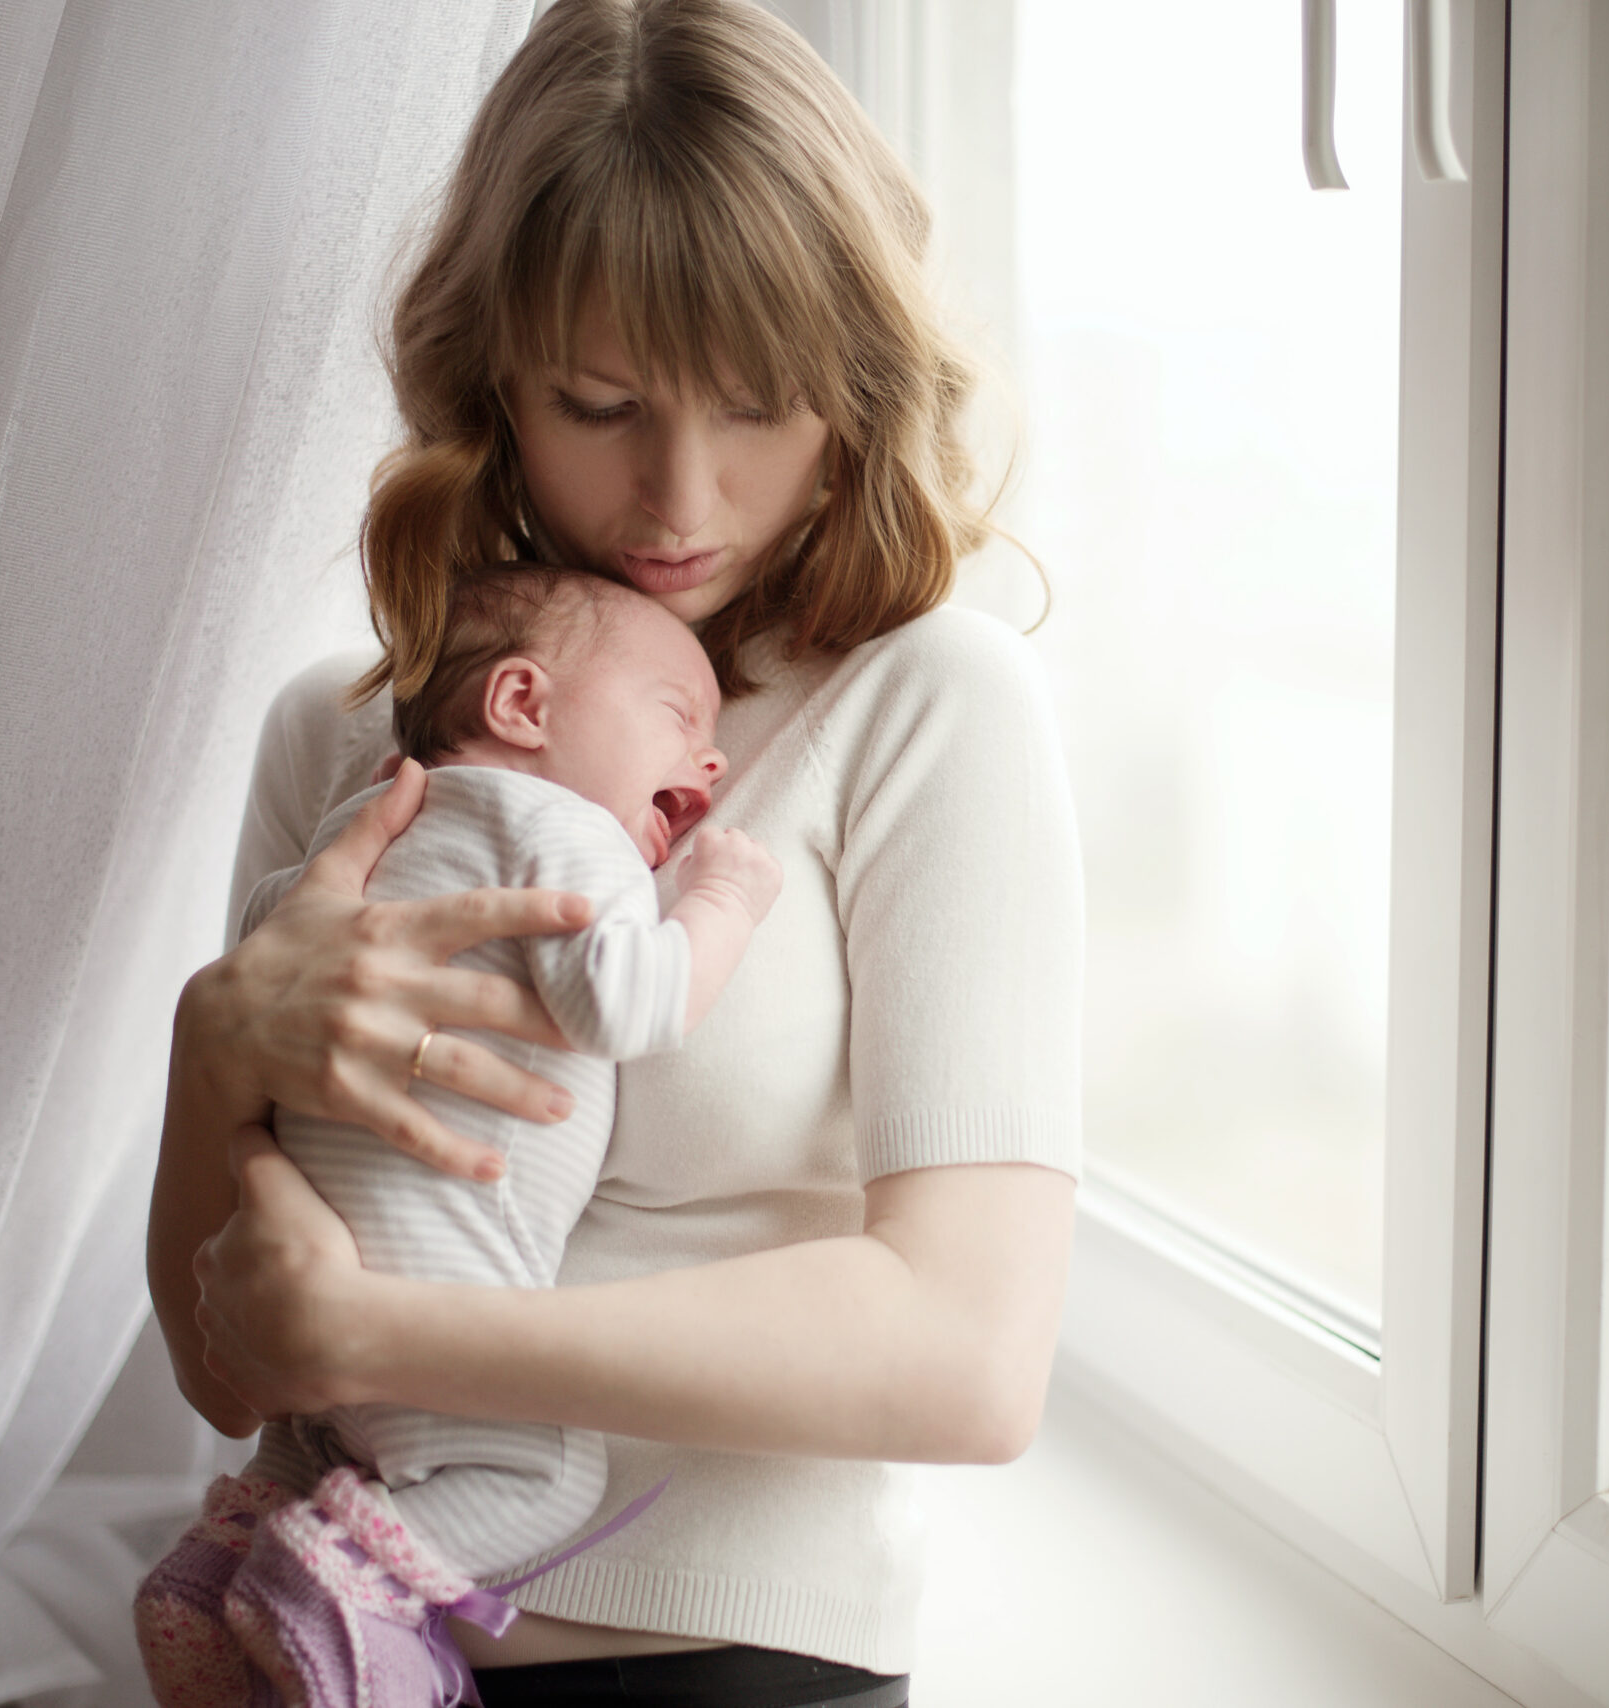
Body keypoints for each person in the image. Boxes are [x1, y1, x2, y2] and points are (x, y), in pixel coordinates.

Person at [145, 1, 1083, 1702]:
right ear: (492, 375)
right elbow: (228, 1366)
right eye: (600, 403)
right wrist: (213, 1043)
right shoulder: (342, 740)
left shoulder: (933, 705)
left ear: (855, 389)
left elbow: (971, 1359)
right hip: (308, 1649)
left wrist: (394, 1337)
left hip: (729, 1659)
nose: (680, 496)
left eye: (759, 408)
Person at [136, 568, 782, 1707]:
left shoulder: (361, 824)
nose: (711, 761)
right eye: (681, 718)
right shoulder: (570, 831)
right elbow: (626, 1004)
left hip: (303, 1253)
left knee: (318, 1445)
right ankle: (328, 1587)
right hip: (440, 1254)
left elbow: (259, 961)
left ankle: (223, 1556)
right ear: (523, 705)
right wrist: (718, 901)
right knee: (540, 1465)